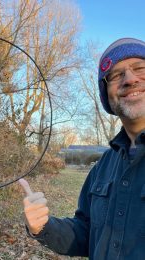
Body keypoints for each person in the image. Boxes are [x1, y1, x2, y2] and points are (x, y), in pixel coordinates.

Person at [19, 38, 145, 260]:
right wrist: (44, 226)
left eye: (140, 68)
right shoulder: (103, 166)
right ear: (107, 94)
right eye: (116, 75)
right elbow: (85, 234)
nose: (130, 79)